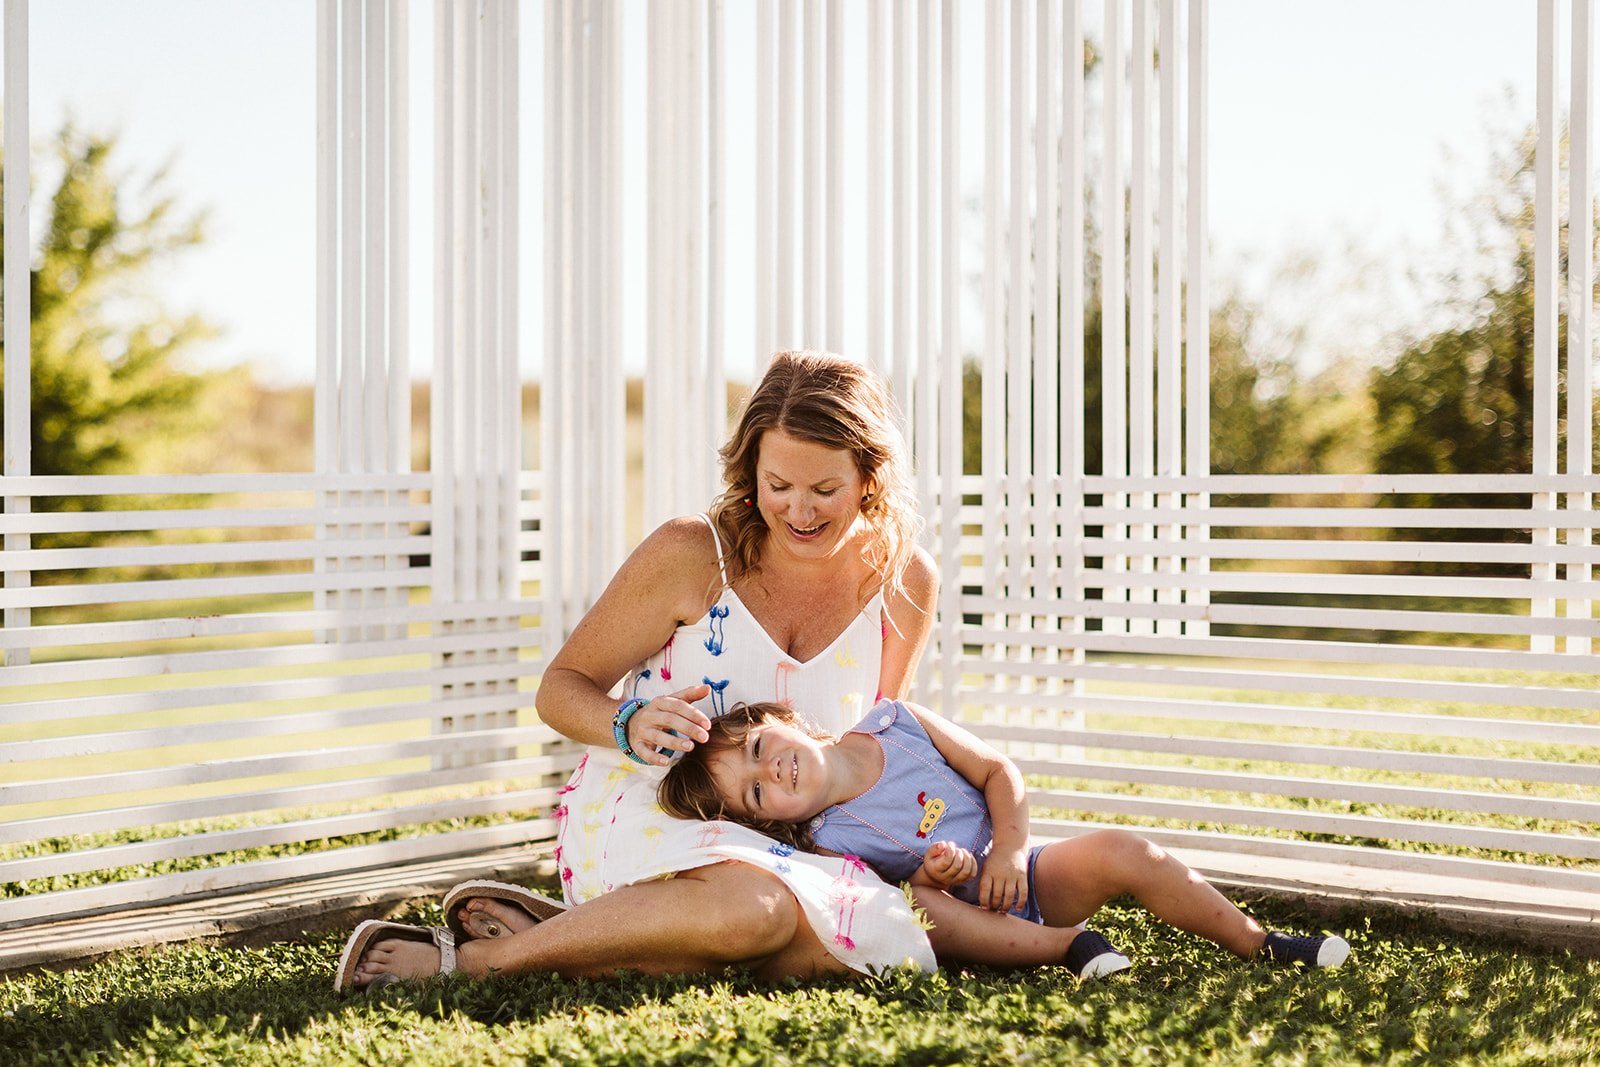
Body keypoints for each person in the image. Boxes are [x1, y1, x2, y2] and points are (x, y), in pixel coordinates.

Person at [342, 350, 974, 990]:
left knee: (878, 947)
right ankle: (474, 964)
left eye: (825, 490)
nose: (800, 512)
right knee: (755, 916)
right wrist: (627, 722)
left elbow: (885, 742)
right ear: (749, 471)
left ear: (870, 477)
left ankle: (565, 935)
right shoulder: (692, 554)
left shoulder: (905, 580)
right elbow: (559, 691)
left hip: (788, 833)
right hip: (655, 806)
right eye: (778, 486)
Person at [657, 698, 1353, 975]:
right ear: (769, 816)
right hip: (962, 918)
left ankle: (1260, 942)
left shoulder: (896, 723)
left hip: (1029, 874)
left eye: (754, 745)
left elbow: (998, 772)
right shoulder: (823, 837)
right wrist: (935, 869)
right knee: (925, 909)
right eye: (754, 791)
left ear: (784, 717)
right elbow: (885, 903)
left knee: (1127, 850)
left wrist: (1009, 852)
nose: (767, 769)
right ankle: (1073, 948)